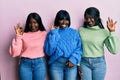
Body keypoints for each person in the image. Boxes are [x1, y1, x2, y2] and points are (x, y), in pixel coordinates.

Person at [78, 7, 119, 80]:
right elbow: (77, 48)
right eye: (86, 18)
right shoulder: (81, 30)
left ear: (97, 17)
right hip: (84, 63)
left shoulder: (104, 32)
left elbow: (114, 50)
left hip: (99, 63)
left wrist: (112, 32)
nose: (88, 20)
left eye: (91, 18)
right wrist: (78, 65)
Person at [44, 10, 82, 80]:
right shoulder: (52, 33)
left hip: (71, 65)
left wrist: (73, 59)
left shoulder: (74, 33)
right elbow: (49, 52)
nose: (64, 22)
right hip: (56, 65)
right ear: (57, 20)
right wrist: (54, 33)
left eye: (66, 19)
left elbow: (79, 48)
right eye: (61, 19)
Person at [9, 12, 47, 80]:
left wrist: (54, 33)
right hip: (25, 64)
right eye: (30, 23)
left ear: (39, 23)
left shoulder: (44, 34)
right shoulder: (22, 34)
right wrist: (18, 36)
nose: (32, 25)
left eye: (35, 22)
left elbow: (51, 48)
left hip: (39, 64)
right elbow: (15, 53)